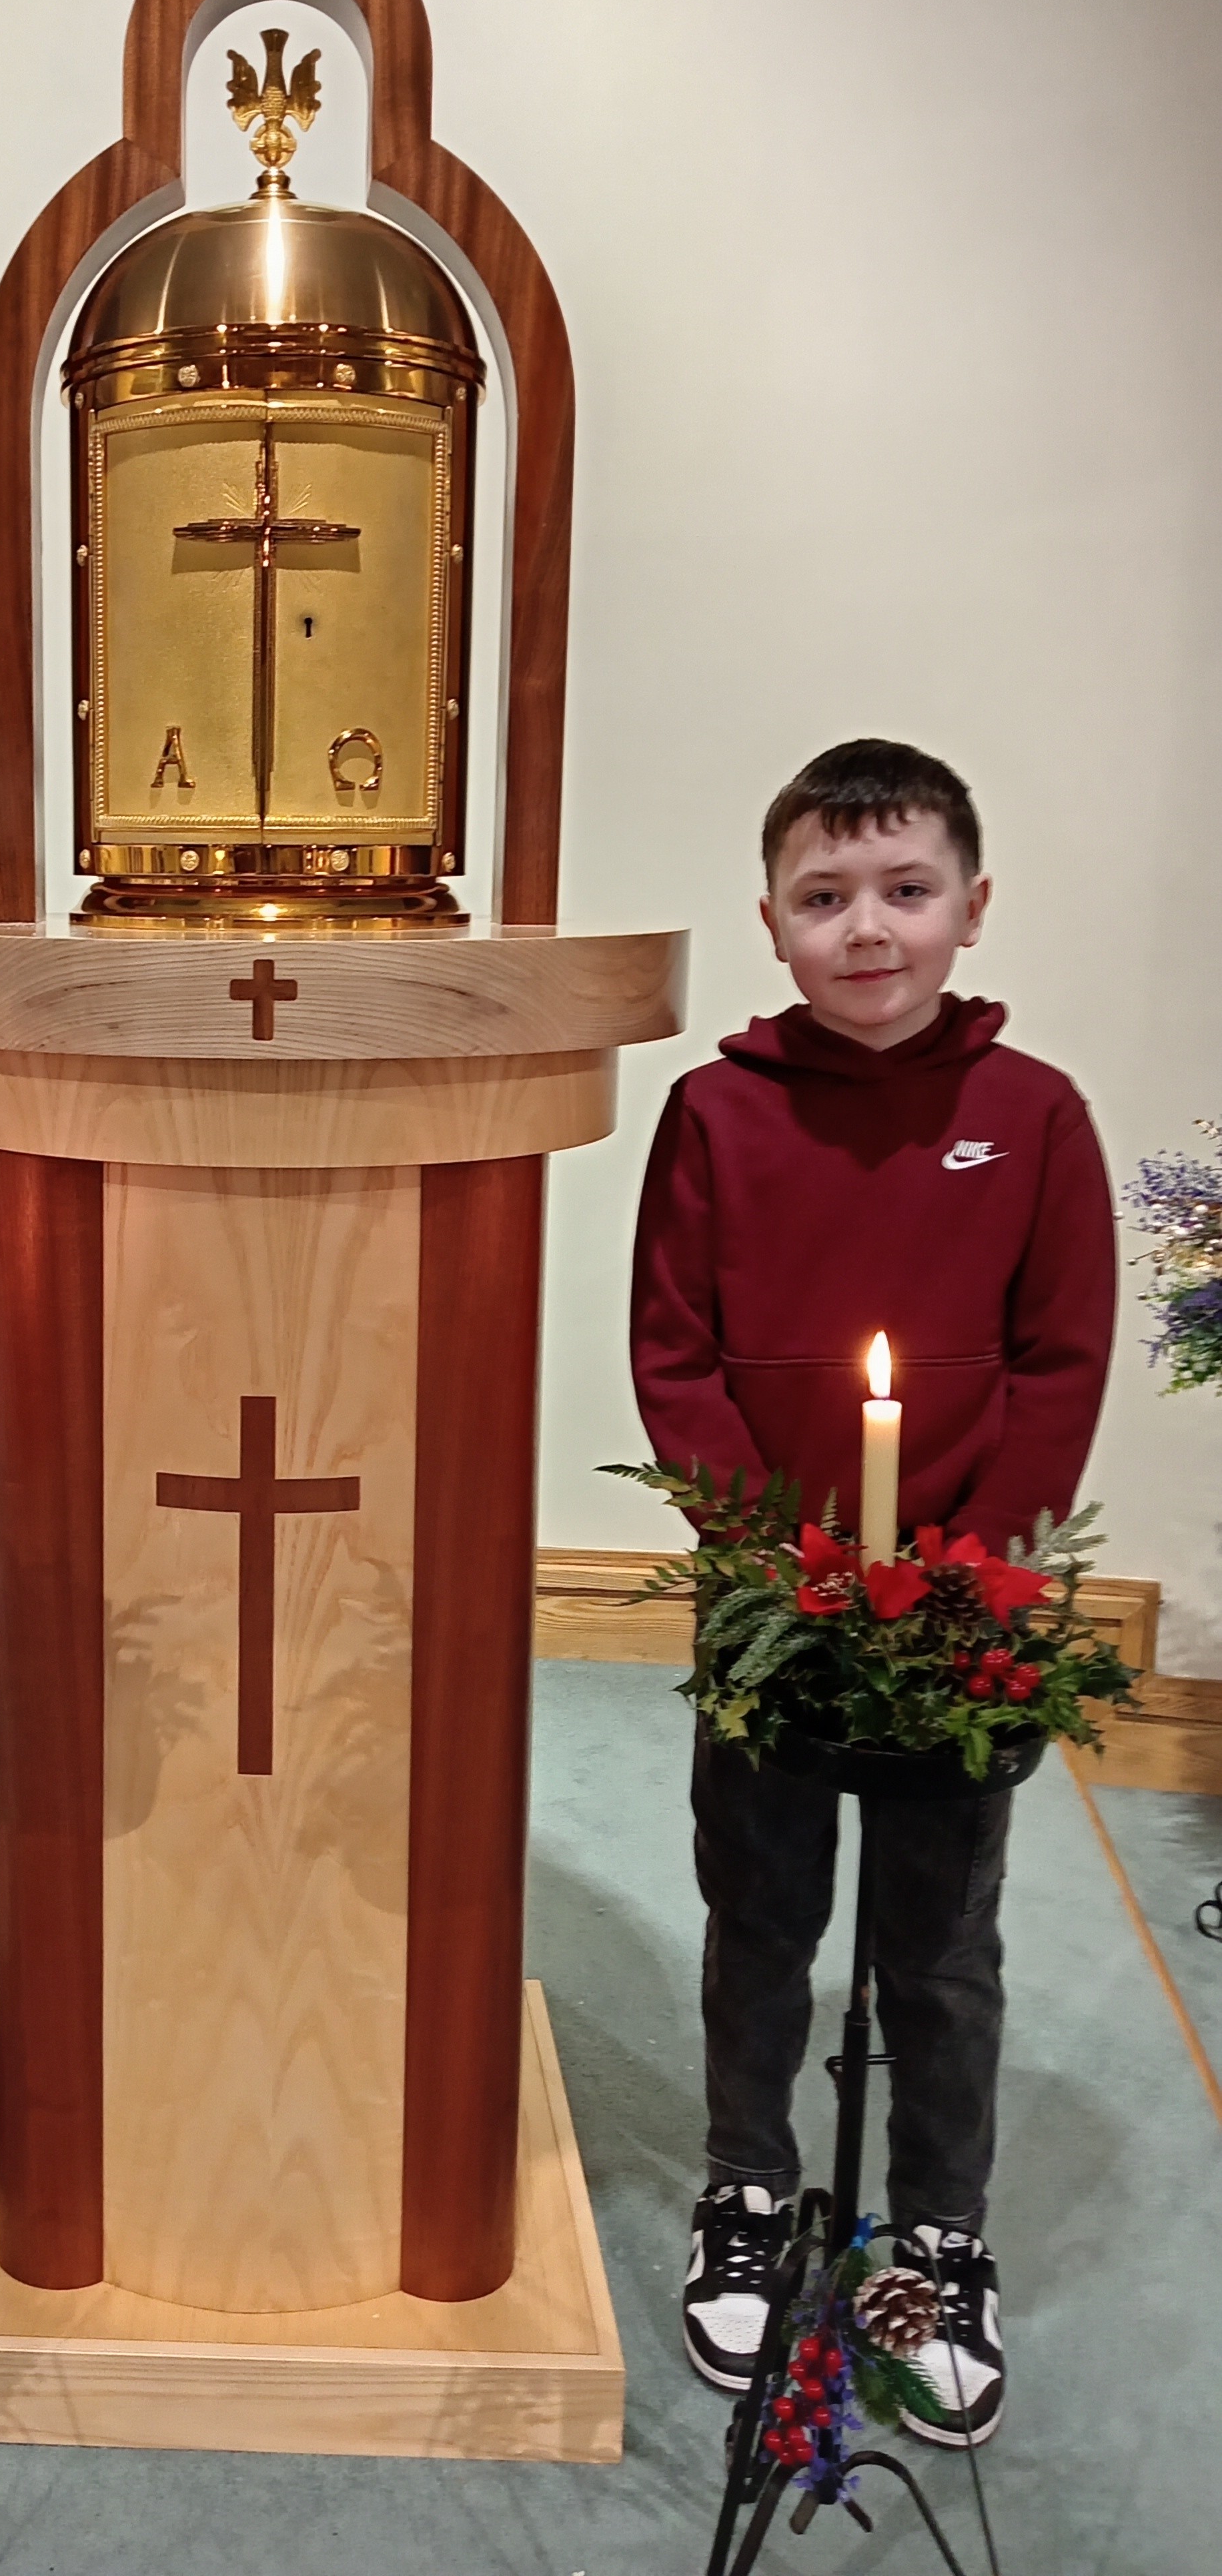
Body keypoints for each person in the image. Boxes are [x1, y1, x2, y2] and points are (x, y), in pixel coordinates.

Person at [630, 739, 1114, 2447]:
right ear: (771, 922)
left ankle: (934, 2238)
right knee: (759, 1912)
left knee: (942, 1938)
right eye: (826, 898)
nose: (868, 930)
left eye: (906, 892)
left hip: (965, 1617)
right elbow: (675, 1358)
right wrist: (780, 1568)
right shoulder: (718, 1112)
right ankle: (753, 2188)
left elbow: (1060, 1363)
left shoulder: (1036, 1114)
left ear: (971, 909)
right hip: (774, 1600)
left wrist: (965, 1572)